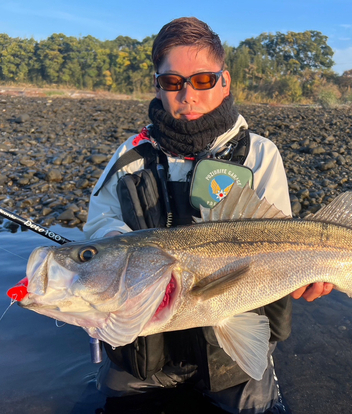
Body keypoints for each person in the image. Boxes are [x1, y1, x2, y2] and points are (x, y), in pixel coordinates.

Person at [84, 17, 334, 414]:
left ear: (225, 82)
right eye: (172, 82)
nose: (187, 95)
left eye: (202, 80)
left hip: (230, 338)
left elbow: (282, 239)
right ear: (158, 85)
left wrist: (309, 273)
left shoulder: (260, 153)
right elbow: (100, 224)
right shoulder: (129, 155)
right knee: (113, 399)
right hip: (146, 339)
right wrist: (119, 263)